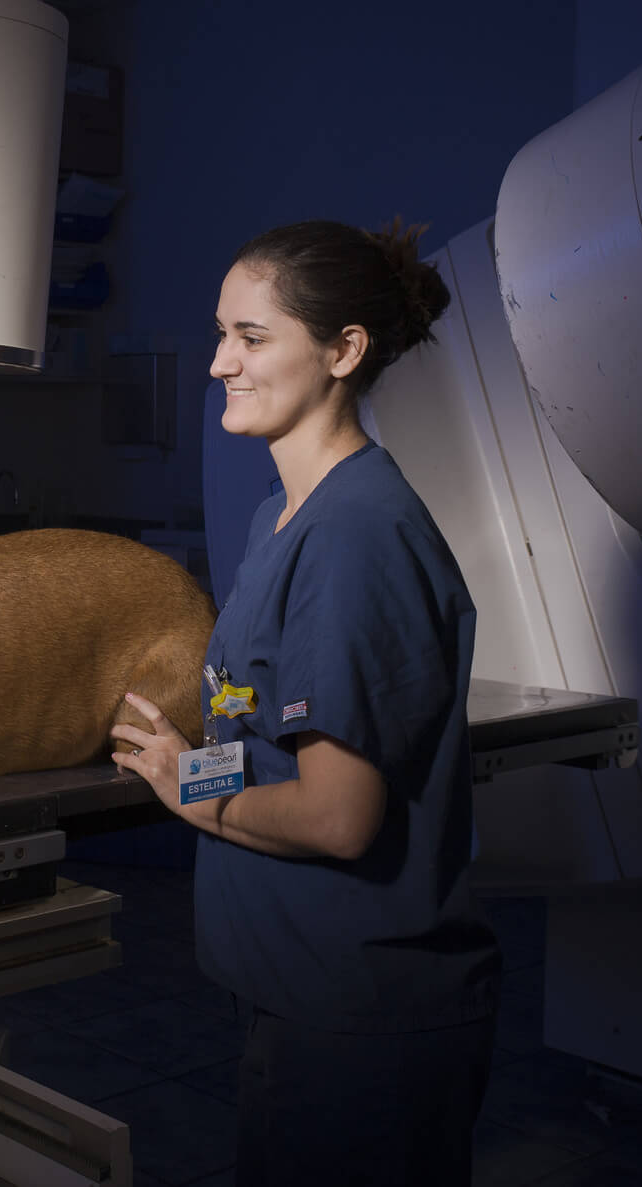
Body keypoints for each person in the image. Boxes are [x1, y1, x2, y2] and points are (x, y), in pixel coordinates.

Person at [111, 219, 501, 1185]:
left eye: (251, 338)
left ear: (343, 350)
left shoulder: (355, 539)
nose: (217, 365)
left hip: (363, 1019)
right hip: (298, 997)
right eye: (220, 335)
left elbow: (336, 813)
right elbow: (269, 751)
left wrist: (187, 795)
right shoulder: (279, 518)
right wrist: (178, 757)